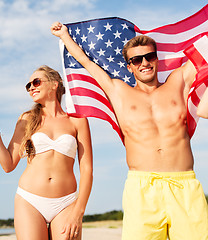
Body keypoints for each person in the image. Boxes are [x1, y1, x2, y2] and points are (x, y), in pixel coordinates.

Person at [51, 22, 208, 240]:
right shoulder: (118, 91)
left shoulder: (178, 80)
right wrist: (65, 37)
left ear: (157, 59)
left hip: (185, 187)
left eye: (150, 56)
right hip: (141, 189)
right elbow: (86, 61)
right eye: (136, 60)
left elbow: (204, 53)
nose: (144, 63)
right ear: (129, 66)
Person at [0, 65, 93, 240]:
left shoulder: (78, 121)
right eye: (28, 85)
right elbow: (8, 165)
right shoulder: (27, 119)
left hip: (66, 202)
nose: (31, 87)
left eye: (36, 82)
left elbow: (87, 170)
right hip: (30, 201)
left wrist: (78, 212)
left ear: (55, 84)